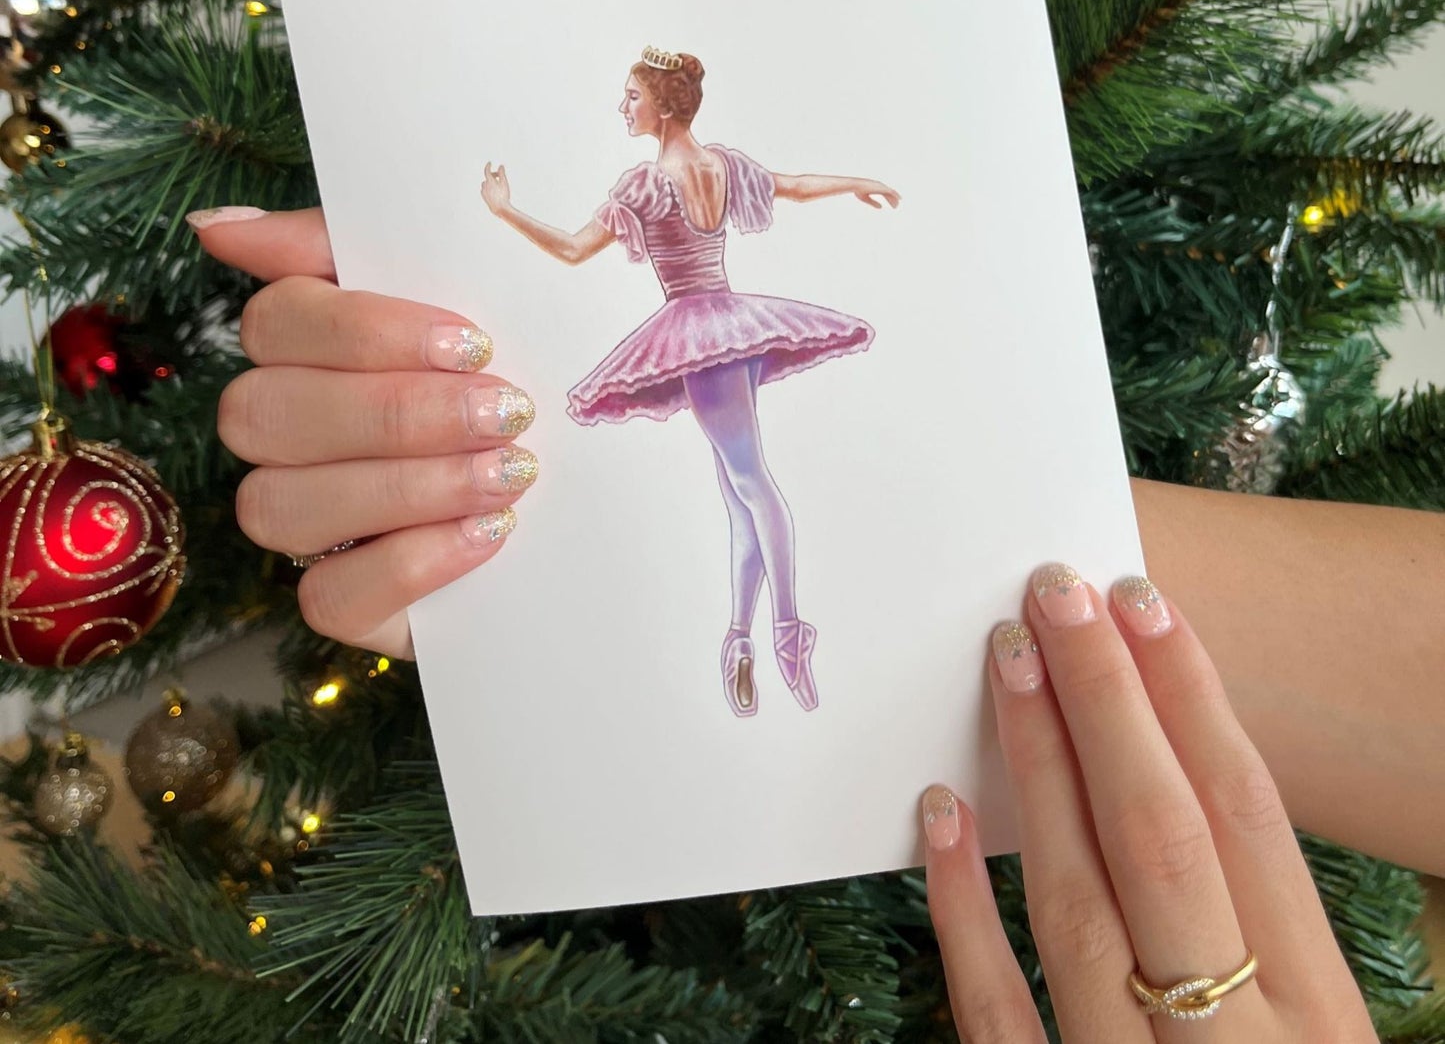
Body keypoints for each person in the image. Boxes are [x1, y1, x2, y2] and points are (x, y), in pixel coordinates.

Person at [190, 204, 1444, 1040]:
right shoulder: (658, 181)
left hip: (713, 321)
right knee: (745, 487)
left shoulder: (686, 175)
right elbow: (582, 244)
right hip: (689, 337)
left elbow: (772, 185)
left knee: (747, 487)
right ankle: (770, 627)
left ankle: (767, 628)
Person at [477, 46, 900, 715]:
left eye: (631, 96)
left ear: (664, 104)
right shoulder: (722, 166)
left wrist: (504, 209)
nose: (622, 107)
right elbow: (792, 182)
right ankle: (738, 637)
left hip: (702, 334)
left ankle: (788, 630)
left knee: (750, 480)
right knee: (737, 492)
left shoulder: (644, 185)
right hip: (730, 323)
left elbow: (569, 248)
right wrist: (856, 182)